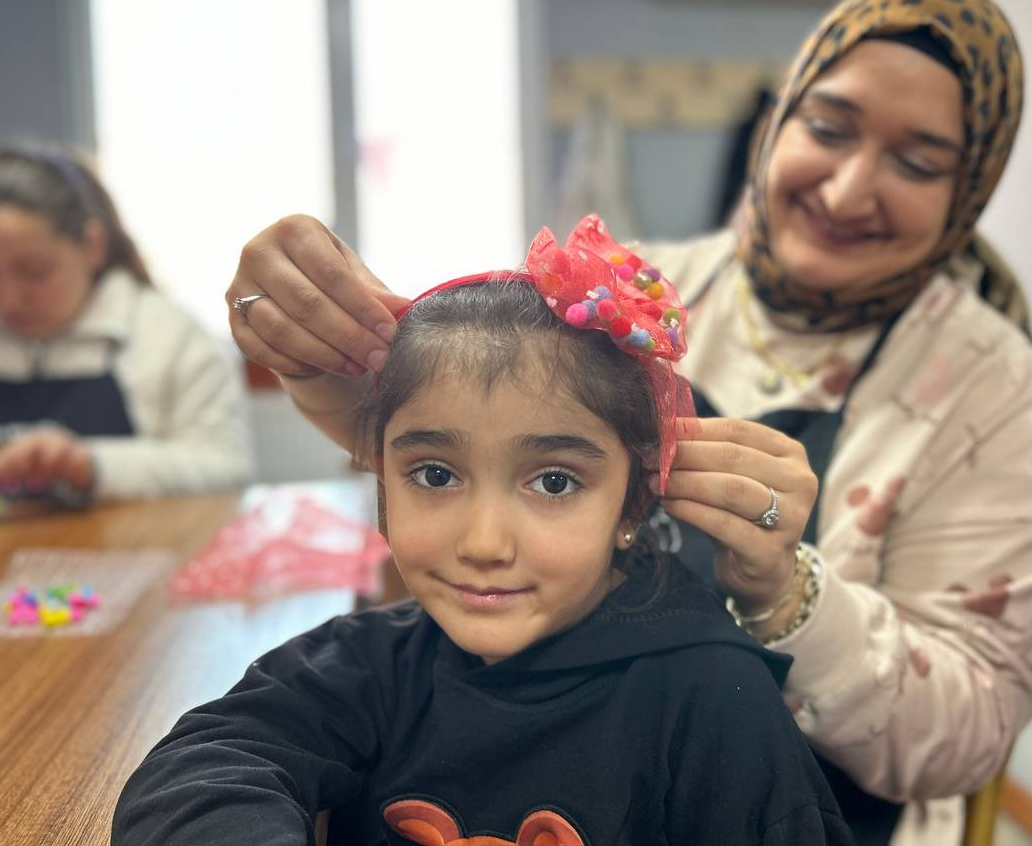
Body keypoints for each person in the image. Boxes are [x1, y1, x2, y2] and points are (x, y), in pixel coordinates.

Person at [224, 0, 1032, 846]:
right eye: (828, 129)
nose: (846, 189)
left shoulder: (992, 392)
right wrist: (318, 346)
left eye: (917, 164)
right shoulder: (625, 296)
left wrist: (787, 595)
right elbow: (473, 443)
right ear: (776, 124)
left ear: (968, 190)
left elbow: (969, 736)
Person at [113, 219, 853, 846]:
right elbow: (196, 775)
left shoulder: (715, 698)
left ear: (631, 506)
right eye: (435, 475)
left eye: (554, 482)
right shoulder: (374, 667)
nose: (484, 544)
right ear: (382, 478)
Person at [0, 144, 250, 509]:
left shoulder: (170, 336)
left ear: (92, 245)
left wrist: (88, 464)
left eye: (34, 271)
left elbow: (225, 468)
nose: (8, 298)